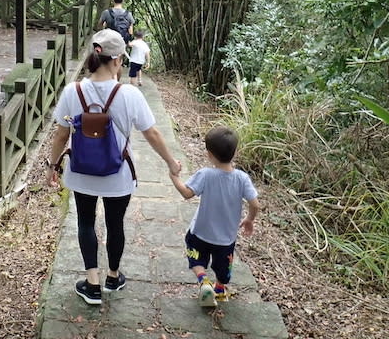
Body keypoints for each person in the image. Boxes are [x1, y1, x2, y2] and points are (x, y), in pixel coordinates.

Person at [48, 29, 181, 305]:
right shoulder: (129, 94)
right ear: (119, 60)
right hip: (118, 174)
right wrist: (171, 162)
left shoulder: (73, 91)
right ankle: (112, 276)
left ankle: (92, 284)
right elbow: (152, 133)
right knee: (115, 223)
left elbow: (61, 134)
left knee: (85, 222)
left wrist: (53, 165)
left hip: (82, 172)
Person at [169, 126, 259, 306]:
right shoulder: (242, 178)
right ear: (235, 153)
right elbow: (255, 203)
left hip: (201, 232)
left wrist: (174, 177)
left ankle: (203, 280)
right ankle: (219, 289)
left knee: (196, 257)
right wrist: (249, 219)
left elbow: (187, 194)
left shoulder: (206, 174)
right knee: (223, 267)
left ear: (209, 154)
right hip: (226, 238)